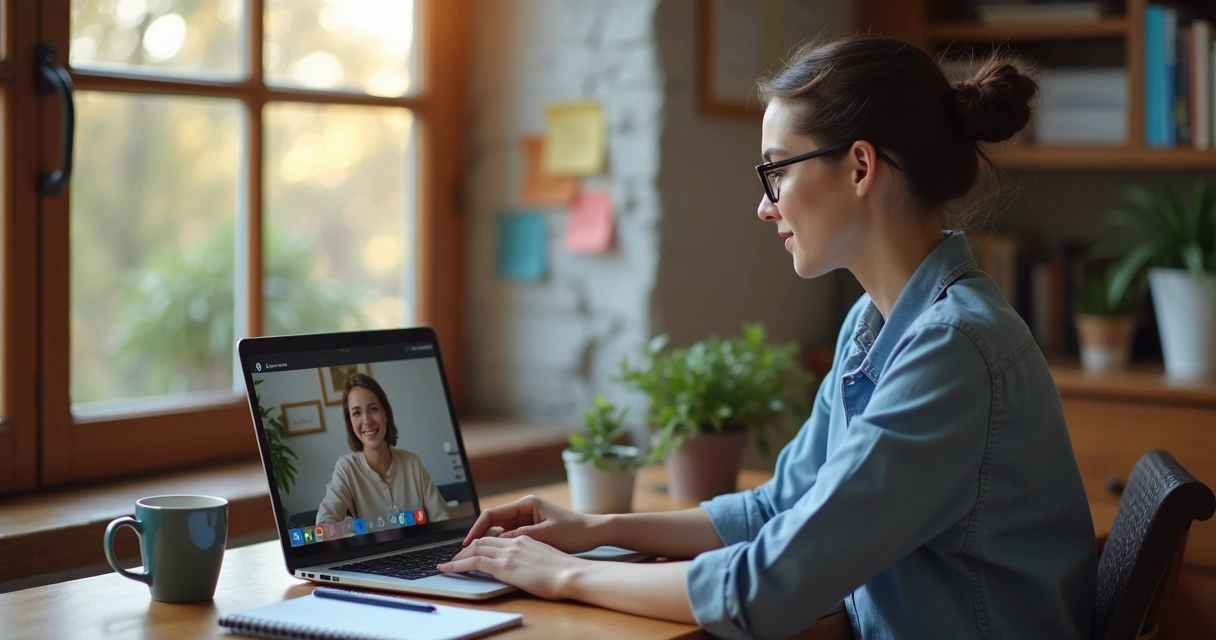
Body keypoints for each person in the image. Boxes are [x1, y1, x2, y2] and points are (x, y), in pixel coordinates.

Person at [437, 33, 1096, 639]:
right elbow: (781, 506)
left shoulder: (952, 352)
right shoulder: (876, 324)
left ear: (861, 167)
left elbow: (766, 587)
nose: (765, 203)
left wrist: (559, 574)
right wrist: (591, 530)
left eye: (777, 170)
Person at [316, 373, 450, 526]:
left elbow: (441, 517)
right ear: (350, 423)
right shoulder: (346, 468)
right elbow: (325, 520)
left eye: (373, 409)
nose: (366, 421)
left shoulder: (412, 462)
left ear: (386, 413)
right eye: (357, 413)